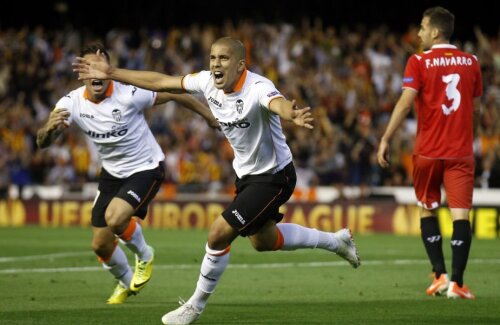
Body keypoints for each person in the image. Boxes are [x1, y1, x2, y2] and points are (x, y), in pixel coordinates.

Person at [74, 36, 361, 324]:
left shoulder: (258, 87)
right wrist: (111, 73)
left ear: (240, 65)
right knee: (264, 240)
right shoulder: (206, 82)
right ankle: (337, 242)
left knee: (218, 233)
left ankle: (194, 307)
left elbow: (277, 103)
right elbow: (162, 82)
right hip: (247, 175)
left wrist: (291, 114)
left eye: (223, 59)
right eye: (212, 58)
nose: (215, 64)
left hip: (275, 176)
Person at [37, 44, 219, 305]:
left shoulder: (130, 93)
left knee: (115, 218)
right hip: (111, 174)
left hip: (146, 167)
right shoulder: (71, 103)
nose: (96, 73)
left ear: (109, 71)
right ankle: (125, 283)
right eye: (90, 67)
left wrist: (208, 116)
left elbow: (173, 92)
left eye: (101, 67)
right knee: (100, 245)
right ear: (82, 74)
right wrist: (49, 129)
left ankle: (145, 255)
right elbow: (42, 142)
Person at [377, 7, 482, 299]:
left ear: (435, 31)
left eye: (423, 27)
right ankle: (458, 285)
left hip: (428, 151)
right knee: (461, 216)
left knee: (428, 208)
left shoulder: (419, 61)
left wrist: (386, 138)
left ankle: (439, 276)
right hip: (460, 151)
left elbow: (405, 103)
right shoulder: (472, 62)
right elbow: (475, 102)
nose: (419, 33)